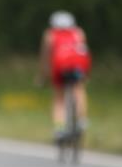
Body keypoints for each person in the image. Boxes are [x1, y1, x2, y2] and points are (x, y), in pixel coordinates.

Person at [39, 10, 91, 139]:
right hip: (78, 66)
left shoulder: (50, 35)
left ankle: (59, 128)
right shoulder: (79, 32)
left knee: (58, 98)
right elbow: (84, 53)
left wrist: (43, 75)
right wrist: (86, 74)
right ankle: (81, 120)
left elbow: (45, 57)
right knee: (79, 90)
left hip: (59, 67)